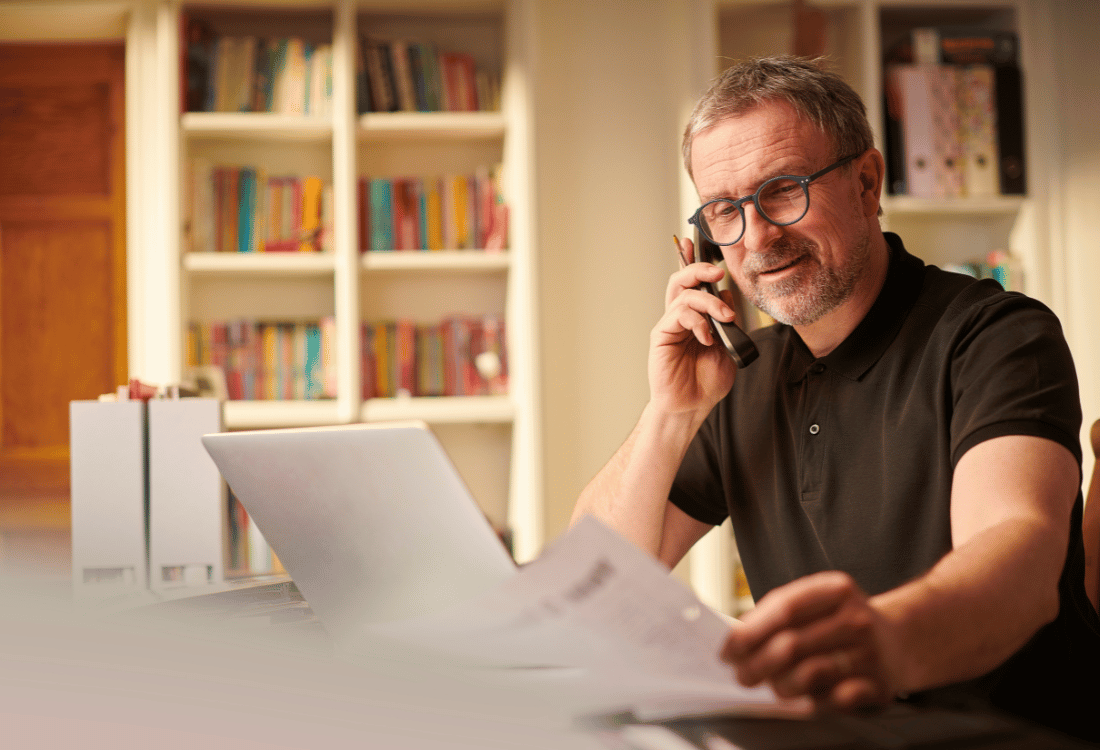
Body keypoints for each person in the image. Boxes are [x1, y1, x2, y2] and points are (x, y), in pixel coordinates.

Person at [571, 55, 1100, 741]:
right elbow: (589, 580)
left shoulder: (995, 335)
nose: (757, 237)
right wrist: (671, 413)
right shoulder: (740, 379)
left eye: (784, 190)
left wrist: (883, 642)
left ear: (867, 182)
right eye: (725, 211)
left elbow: (1019, 559)